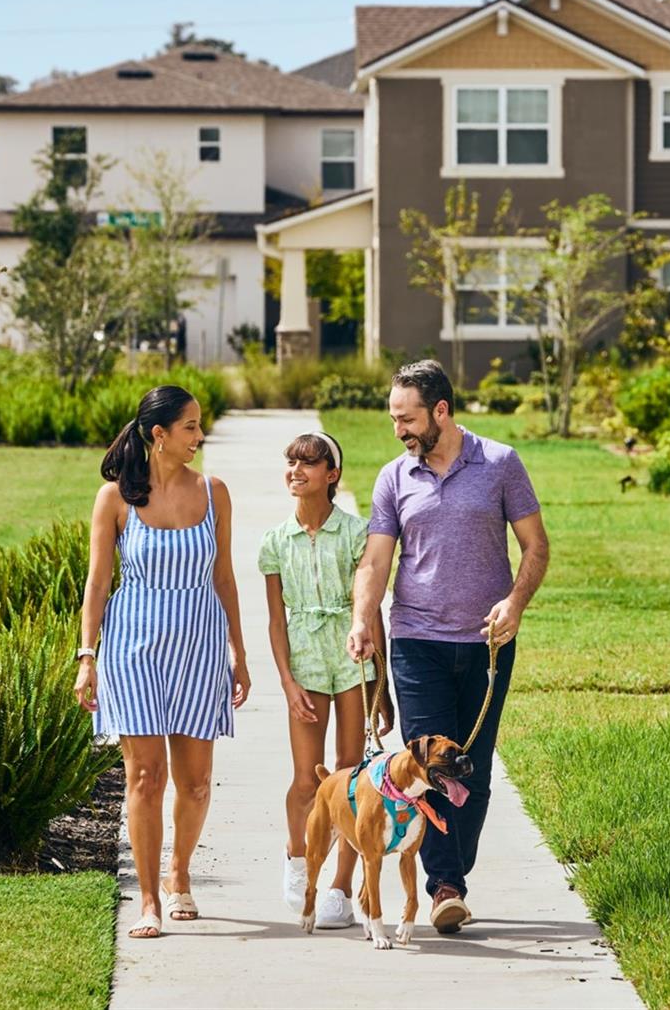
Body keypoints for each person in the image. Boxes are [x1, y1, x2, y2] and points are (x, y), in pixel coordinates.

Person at [347, 360, 549, 933]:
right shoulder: (394, 477)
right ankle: (445, 886)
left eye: (407, 419)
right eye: (393, 419)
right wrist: (365, 618)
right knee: (431, 768)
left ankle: (452, 875)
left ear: (441, 411)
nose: (399, 431)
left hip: (486, 647)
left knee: (473, 771)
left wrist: (514, 604)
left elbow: (535, 546)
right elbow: (376, 560)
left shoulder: (501, 464)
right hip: (417, 642)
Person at [74, 385, 251, 939]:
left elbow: (224, 577)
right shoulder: (116, 498)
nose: (199, 437)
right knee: (146, 777)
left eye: (199, 426)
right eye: (191, 427)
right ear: (159, 435)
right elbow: (98, 583)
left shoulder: (213, 492)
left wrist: (239, 654)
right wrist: (87, 656)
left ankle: (180, 875)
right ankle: (149, 899)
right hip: (133, 649)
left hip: (200, 646)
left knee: (195, 783)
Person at [260, 430, 393, 930]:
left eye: (308, 464)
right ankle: (300, 860)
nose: (296, 471)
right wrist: (287, 682)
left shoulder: (358, 533)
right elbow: (275, 621)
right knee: (306, 776)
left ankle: (341, 884)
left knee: (350, 774)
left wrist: (381, 686)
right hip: (306, 661)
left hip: (353, 660)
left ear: (331, 475)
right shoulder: (275, 541)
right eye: (291, 462)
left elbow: (372, 609)